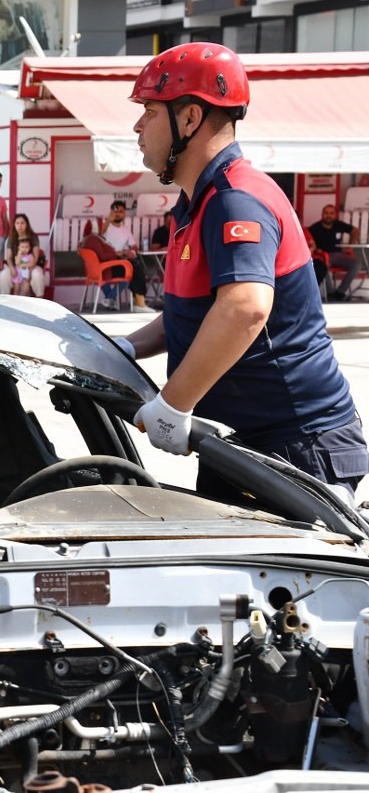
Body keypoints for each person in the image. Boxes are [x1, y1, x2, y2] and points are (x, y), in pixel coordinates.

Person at [118, 42, 369, 501]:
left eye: (150, 111)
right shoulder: (197, 203)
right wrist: (123, 347)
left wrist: (173, 404)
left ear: (189, 119)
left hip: (296, 445)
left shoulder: (236, 198)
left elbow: (244, 308)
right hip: (249, 443)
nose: (137, 125)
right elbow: (195, 313)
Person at [95, 199, 154, 311]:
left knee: (135, 268)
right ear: (111, 212)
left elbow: (134, 246)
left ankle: (114, 299)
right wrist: (108, 220)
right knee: (135, 269)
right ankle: (139, 303)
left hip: (120, 263)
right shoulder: (105, 226)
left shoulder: (125, 230)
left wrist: (131, 251)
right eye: (115, 211)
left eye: (121, 211)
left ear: (124, 213)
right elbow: (98, 237)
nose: (118, 213)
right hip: (105, 265)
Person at [307, 204, 362, 301]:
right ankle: (330, 293)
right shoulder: (314, 228)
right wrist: (316, 250)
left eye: (331, 213)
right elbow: (308, 243)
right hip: (323, 256)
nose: (329, 215)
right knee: (321, 265)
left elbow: (356, 231)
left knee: (357, 264)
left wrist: (350, 247)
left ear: (335, 215)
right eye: (326, 213)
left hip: (339, 255)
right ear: (322, 214)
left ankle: (340, 292)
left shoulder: (338, 224)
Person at [0, 213, 45, 297]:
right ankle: (5, 300)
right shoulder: (11, 238)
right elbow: (9, 257)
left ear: (27, 224)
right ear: (14, 225)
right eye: (17, 223)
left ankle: (40, 299)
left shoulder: (33, 237)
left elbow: (36, 257)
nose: (20, 226)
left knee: (37, 275)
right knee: (4, 275)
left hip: (31, 265)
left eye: (22, 223)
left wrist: (29, 271)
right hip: (16, 266)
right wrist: (11, 268)